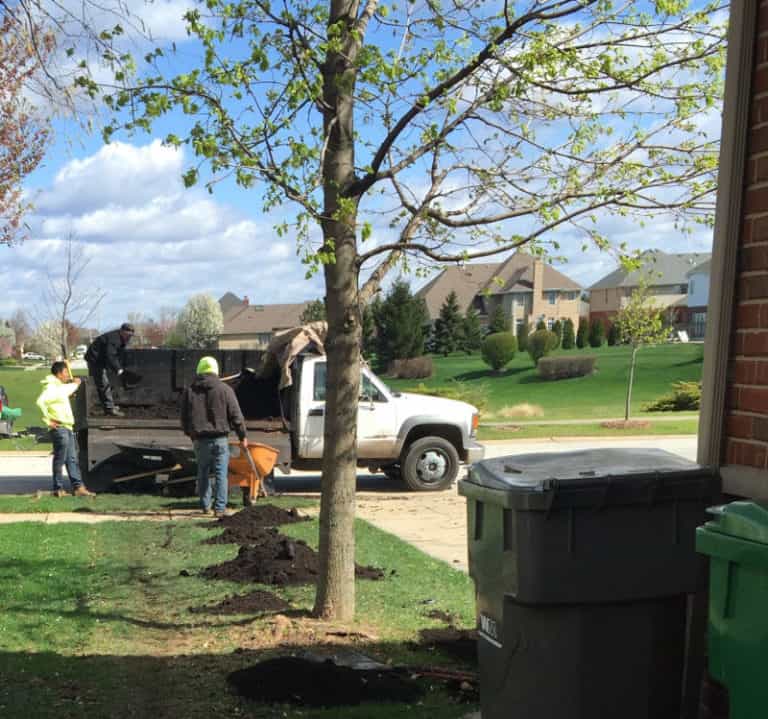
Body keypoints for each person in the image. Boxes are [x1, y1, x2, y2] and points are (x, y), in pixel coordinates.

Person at [181, 356, 248, 516]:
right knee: (221, 474)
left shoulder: (189, 391)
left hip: (199, 440)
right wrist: (242, 436)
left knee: (202, 473)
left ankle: (205, 506)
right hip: (220, 440)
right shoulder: (225, 390)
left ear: (199, 370)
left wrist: (191, 434)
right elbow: (236, 416)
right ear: (216, 370)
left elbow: (184, 417)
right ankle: (219, 508)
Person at [36, 361, 96, 497]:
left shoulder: (58, 388)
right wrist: (48, 420)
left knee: (72, 459)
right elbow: (40, 402)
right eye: (65, 373)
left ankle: (78, 488)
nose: (67, 375)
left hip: (67, 427)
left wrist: (72, 386)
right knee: (60, 459)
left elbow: (64, 393)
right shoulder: (52, 387)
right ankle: (58, 489)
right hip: (60, 428)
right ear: (59, 373)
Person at [84, 322, 135, 416]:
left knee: (104, 383)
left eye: (131, 336)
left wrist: (119, 368)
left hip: (102, 359)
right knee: (103, 383)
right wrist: (119, 370)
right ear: (122, 331)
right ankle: (110, 409)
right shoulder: (114, 339)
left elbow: (117, 354)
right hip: (95, 360)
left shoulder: (121, 338)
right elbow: (110, 356)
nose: (129, 337)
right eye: (127, 335)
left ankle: (109, 406)